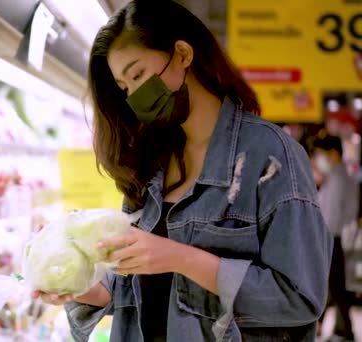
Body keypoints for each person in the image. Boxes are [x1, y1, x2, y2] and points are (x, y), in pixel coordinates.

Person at [32, 1, 333, 341]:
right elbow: (131, 285)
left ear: (182, 54)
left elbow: (300, 297)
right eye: (124, 87)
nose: (133, 95)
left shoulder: (271, 156)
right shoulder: (149, 164)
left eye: (138, 75)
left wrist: (181, 258)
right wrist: (77, 287)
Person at [314, 135, 358, 342]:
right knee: (333, 287)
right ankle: (341, 329)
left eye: (320, 154)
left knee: (334, 288)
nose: (318, 159)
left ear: (332, 153)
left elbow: (329, 217)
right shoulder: (337, 177)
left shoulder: (338, 178)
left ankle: (345, 331)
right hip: (333, 239)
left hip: (331, 240)